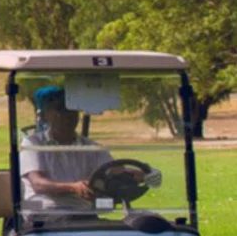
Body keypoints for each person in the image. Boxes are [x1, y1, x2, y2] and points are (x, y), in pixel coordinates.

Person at [20, 85, 160, 212]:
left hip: (82, 214)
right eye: (60, 110)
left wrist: (146, 174)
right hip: (44, 215)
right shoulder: (33, 143)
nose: (67, 116)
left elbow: (116, 171)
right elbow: (38, 184)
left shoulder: (92, 147)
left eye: (72, 110)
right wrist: (73, 188)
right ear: (45, 115)